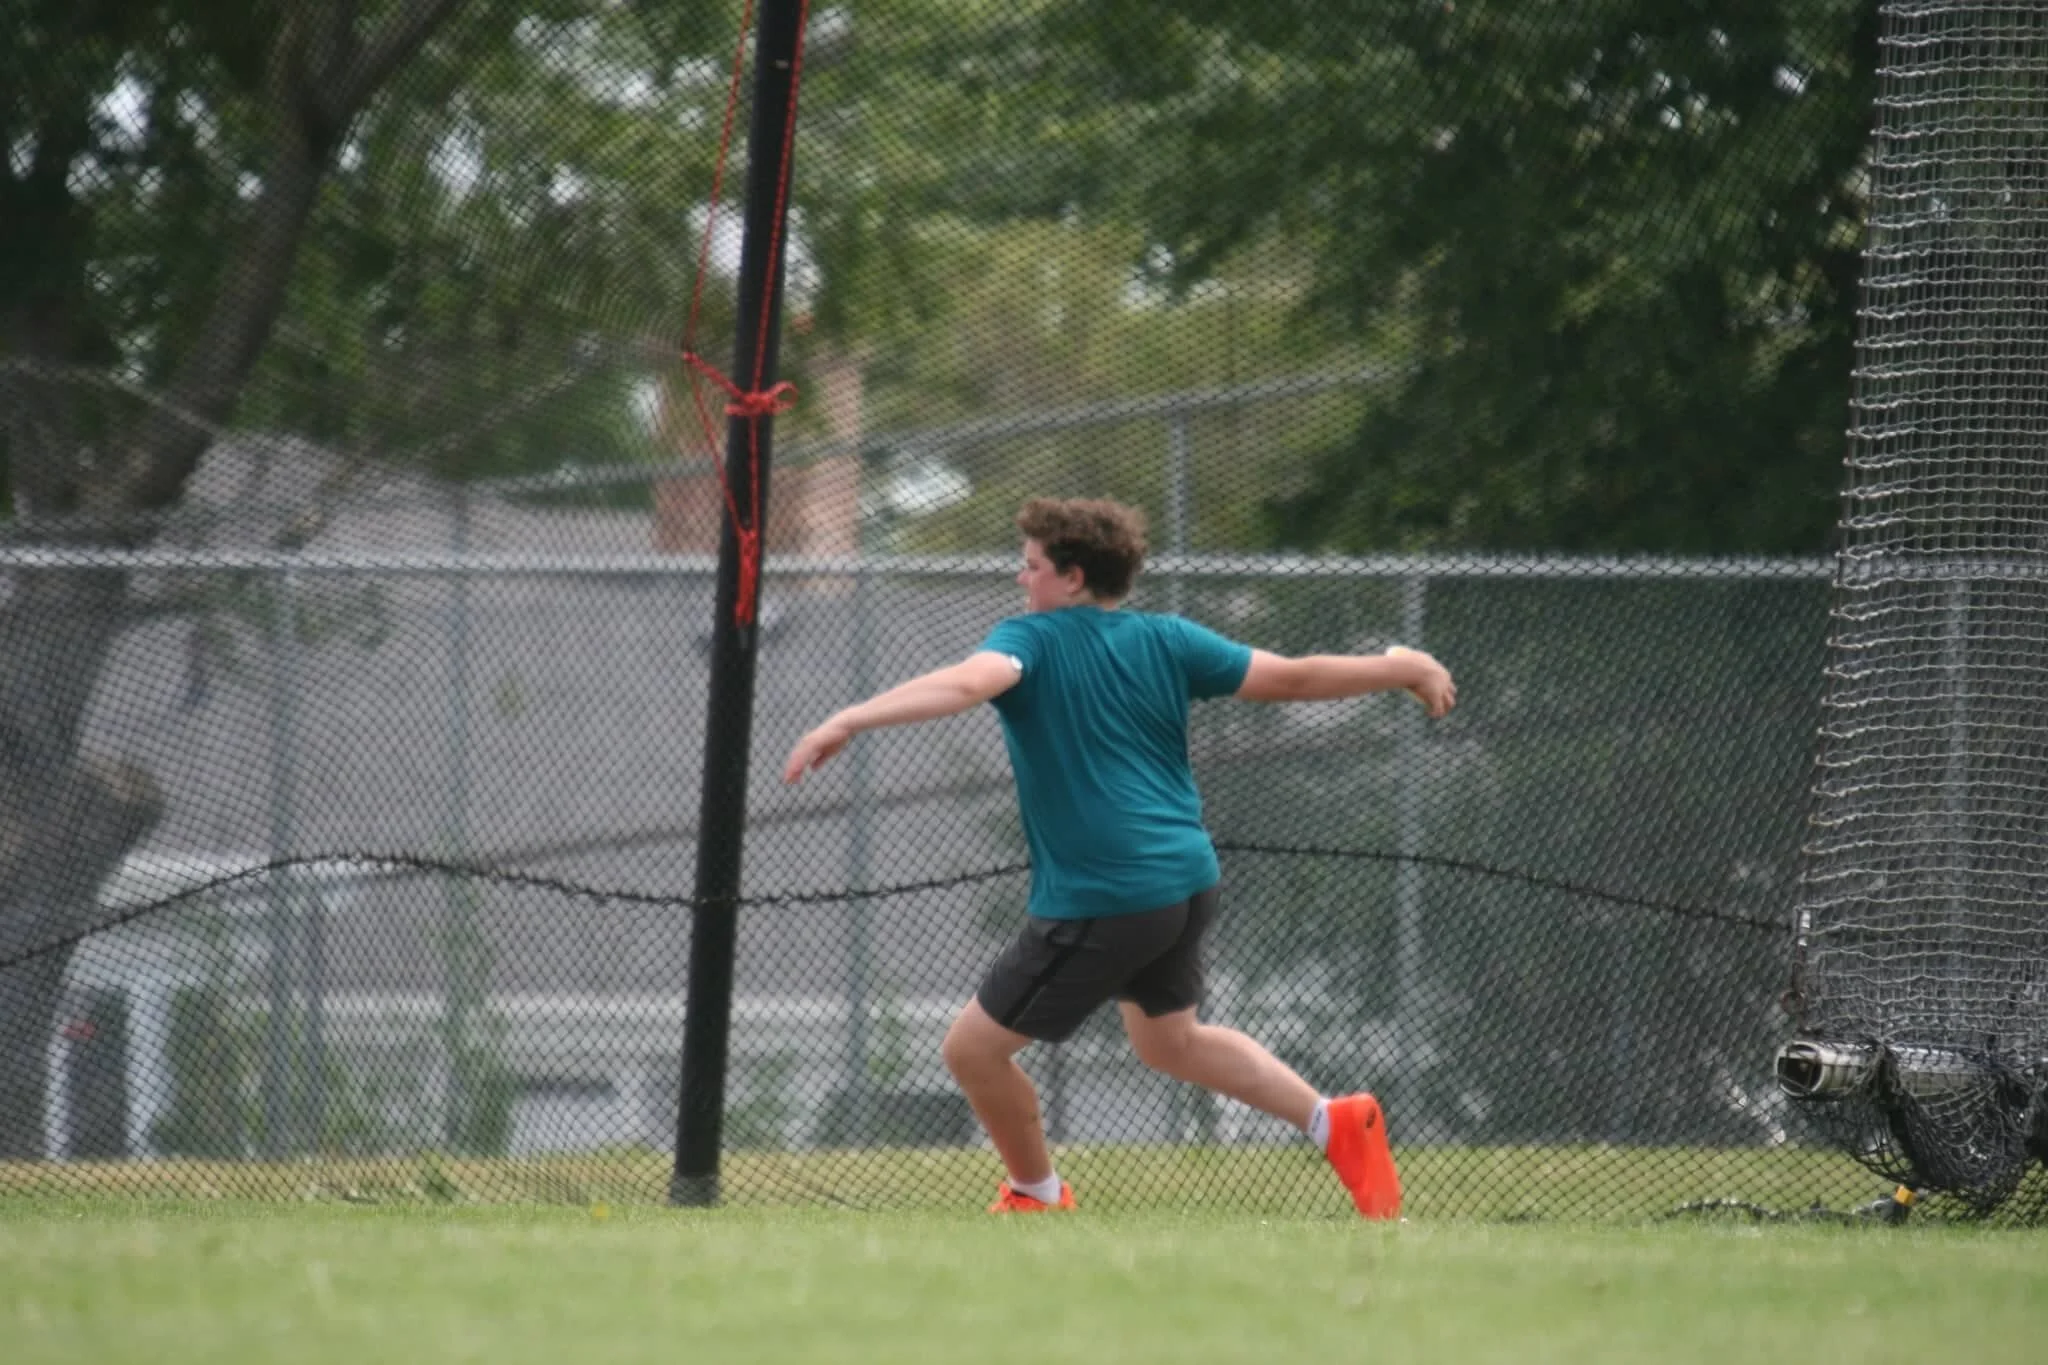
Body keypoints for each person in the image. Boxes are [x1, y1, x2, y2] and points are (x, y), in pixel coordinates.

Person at [783, 497, 1456, 1217]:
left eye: (1033, 566)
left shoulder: (1031, 640)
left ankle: (1035, 1194)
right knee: (1170, 1042)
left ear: (1072, 578)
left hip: (1109, 893)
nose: (1021, 579)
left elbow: (967, 683)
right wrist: (1402, 669)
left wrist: (850, 716)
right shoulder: (1169, 639)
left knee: (973, 1052)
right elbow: (1291, 679)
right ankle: (1336, 1122)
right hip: (1185, 880)